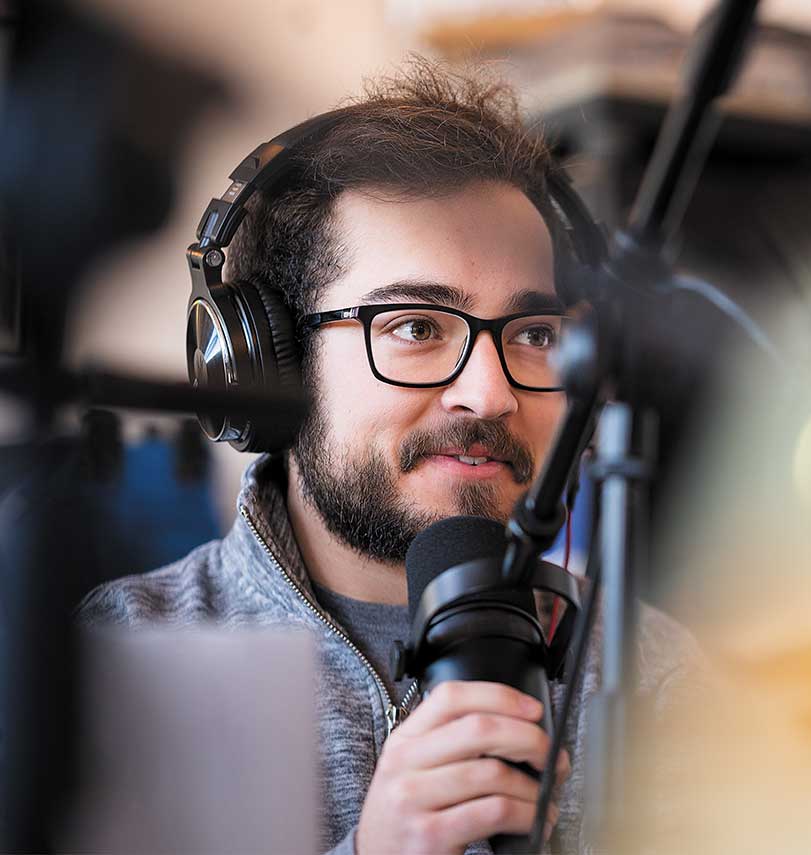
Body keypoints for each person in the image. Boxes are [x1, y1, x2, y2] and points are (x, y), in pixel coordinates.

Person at [76, 59, 709, 855]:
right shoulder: (116, 659)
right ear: (270, 365)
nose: (489, 394)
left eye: (534, 334)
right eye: (415, 327)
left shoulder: (656, 677)